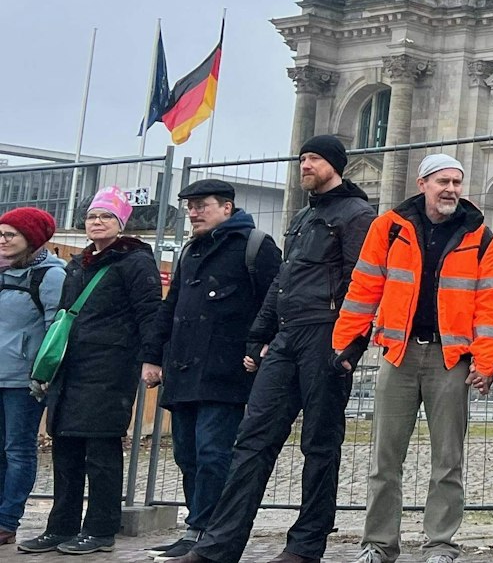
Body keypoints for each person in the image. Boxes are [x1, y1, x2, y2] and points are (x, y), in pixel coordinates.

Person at [183, 135, 374, 563]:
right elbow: (282, 280)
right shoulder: (304, 216)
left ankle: (306, 546)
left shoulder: (357, 214)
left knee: (319, 443)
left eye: (314, 158)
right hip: (286, 337)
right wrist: (259, 332)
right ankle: (218, 545)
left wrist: (350, 345)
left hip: (327, 335)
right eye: (302, 157)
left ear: (335, 165)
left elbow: (362, 284)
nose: (305, 164)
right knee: (252, 439)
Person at [334, 154, 493, 563]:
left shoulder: (485, 240)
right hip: (399, 354)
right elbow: (364, 287)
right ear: (422, 183)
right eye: (442, 181)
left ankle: (440, 545)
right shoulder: (389, 228)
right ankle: (377, 544)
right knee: (384, 459)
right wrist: (344, 344)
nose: (451, 189)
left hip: (452, 360)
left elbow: (491, 307)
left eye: (457, 182)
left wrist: (485, 363)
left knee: (448, 461)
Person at [142, 180, 283, 559]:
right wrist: (153, 356)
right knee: (186, 454)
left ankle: (208, 530)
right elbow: (170, 307)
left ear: (227, 207)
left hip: (228, 372)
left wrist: (264, 346)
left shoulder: (256, 246)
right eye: (189, 206)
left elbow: (277, 301)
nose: (193, 212)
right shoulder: (191, 250)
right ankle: (196, 526)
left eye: (201, 205)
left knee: (213, 453)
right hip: (184, 370)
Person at [22, 187, 163, 555]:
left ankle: (100, 528)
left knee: (100, 450)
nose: (97, 222)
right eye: (92, 217)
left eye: (106, 217)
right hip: (71, 367)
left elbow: (150, 312)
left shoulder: (134, 261)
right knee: (65, 446)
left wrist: (151, 358)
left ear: (121, 223)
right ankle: (61, 526)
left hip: (110, 367)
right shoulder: (79, 263)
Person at [0, 208, 63, 547]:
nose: (2, 241)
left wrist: (44, 373)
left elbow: (57, 329)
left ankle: (7, 521)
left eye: (10, 235)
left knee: (18, 450)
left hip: (24, 381)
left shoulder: (51, 276)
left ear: (32, 239)